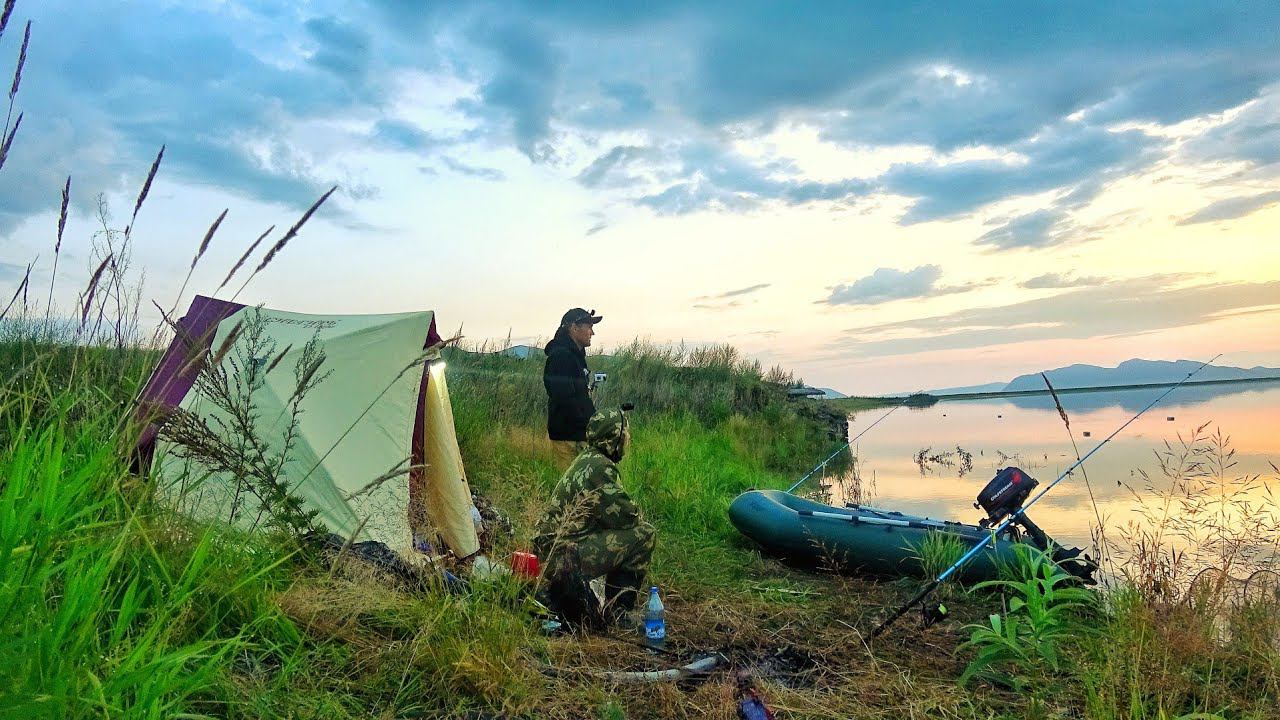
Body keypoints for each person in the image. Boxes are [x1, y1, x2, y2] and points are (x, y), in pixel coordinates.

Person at [533, 408, 655, 627]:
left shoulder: (588, 459)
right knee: (644, 534)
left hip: (552, 554)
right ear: (614, 437)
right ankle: (618, 612)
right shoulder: (601, 468)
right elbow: (628, 517)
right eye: (625, 436)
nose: (627, 442)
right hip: (562, 561)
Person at [543, 307, 602, 470]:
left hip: (579, 435)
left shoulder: (576, 356)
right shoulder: (561, 357)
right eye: (589, 327)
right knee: (569, 490)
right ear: (574, 328)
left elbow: (579, 396)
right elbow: (563, 398)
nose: (592, 332)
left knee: (584, 488)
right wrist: (587, 422)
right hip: (567, 438)